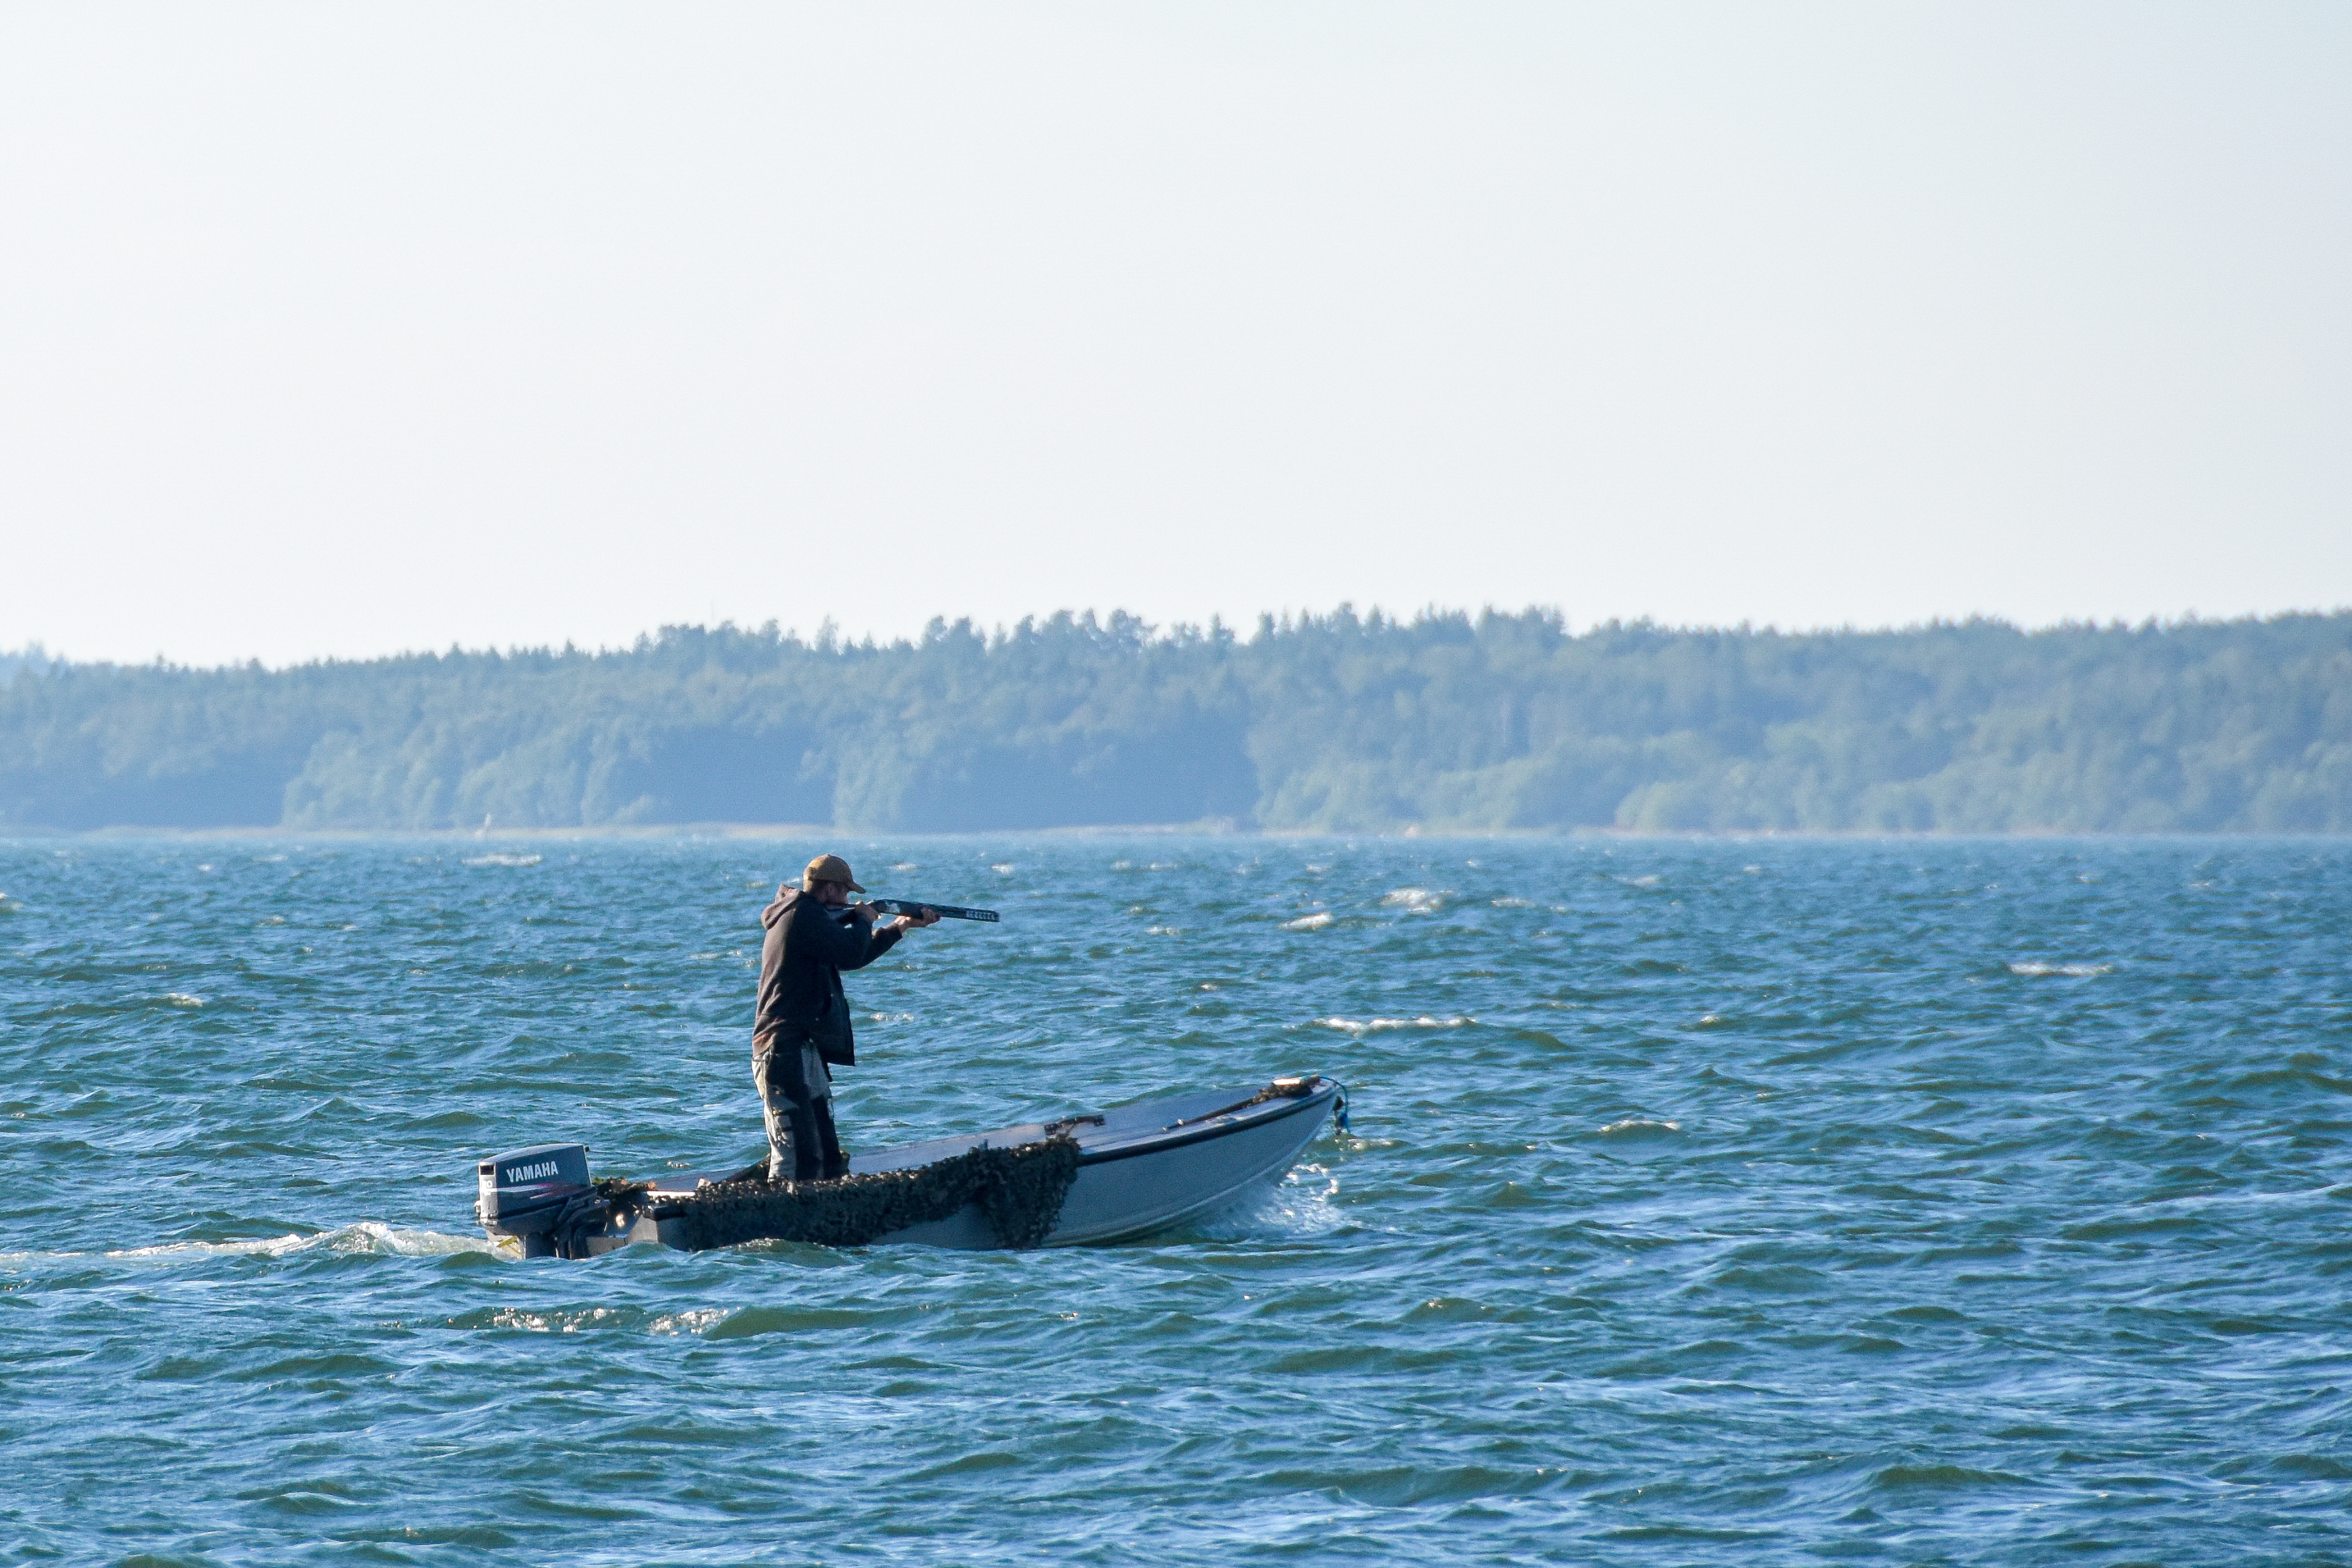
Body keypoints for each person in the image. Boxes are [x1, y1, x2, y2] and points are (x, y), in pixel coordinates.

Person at [752, 854, 939, 1182]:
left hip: (803, 1047)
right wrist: (864, 920)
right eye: (845, 892)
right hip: (781, 1048)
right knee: (797, 1156)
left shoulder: (808, 916)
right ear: (829, 890)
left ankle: (820, 1209)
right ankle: (778, 1208)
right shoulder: (802, 915)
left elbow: (852, 956)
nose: (849, 899)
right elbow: (851, 950)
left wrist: (900, 926)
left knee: (827, 1155)